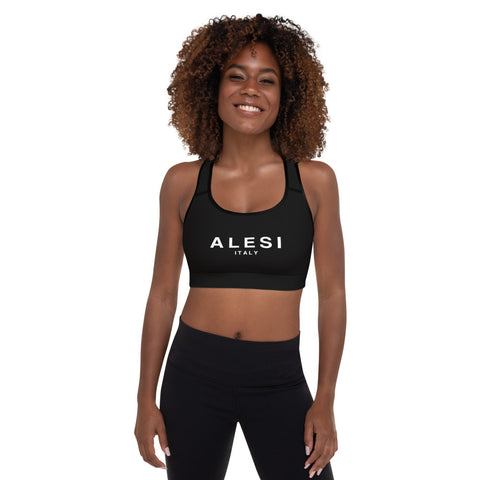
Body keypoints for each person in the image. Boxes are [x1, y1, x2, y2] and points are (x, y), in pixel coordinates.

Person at [134, 13, 346, 480]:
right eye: (236, 76)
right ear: (212, 87)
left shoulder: (314, 182)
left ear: (286, 96)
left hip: (279, 377)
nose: (251, 89)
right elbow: (162, 294)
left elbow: (332, 295)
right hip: (192, 376)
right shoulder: (182, 183)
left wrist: (325, 399)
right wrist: (145, 399)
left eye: (267, 80)